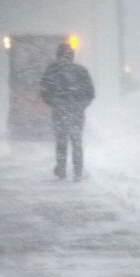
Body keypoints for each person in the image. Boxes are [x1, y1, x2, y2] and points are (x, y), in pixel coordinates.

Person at [40, 43, 95, 182]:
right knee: (76, 142)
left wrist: (54, 103)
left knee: (61, 141)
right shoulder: (81, 71)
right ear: (72, 55)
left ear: (58, 55)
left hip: (59, 112)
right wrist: (80, 106)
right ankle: (78, 172)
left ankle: (61, 170)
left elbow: (44, 91)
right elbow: (90, 93)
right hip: (76, 113)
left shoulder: (52, 70)